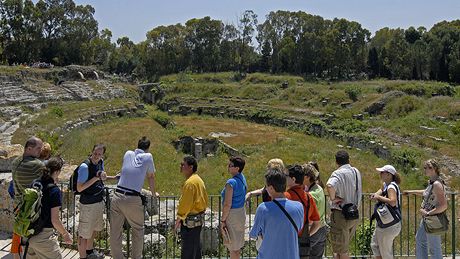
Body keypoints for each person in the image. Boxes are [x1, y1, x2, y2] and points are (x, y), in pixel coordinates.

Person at [110, 136, 158, 259]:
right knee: (137, 230)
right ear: (147, 148)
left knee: (115, 231)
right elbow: (151, 176)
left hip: (117, 195)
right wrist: (153, 194)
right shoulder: (148, 156)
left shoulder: (128, 153)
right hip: (132, 198)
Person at [249, 168, 304, 259]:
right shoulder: (299, 207)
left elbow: (253, 233)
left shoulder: (263, 208)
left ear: (271, 188)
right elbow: (299, 228)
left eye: (266, 186)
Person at [26, 157, 73, 258]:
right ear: (56, 172)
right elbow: (55, 220)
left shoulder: (35, 183)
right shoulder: (54, 190)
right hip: (43, 237)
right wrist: (65, 234)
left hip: (28, 233)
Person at [76, 144, 115, 259]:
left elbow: (102, 177)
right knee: (83, 234)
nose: (97, 156)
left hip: (98, 201)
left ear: (103, 154)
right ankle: (83, 257)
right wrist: (95, 178)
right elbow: (79, 188)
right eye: (95, 153)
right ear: (91, 151)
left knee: (93, 229)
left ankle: (90, 252)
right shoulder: (84, 167)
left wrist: (114, 178)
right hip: (87, 204)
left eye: (99, 154)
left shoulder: (100, 162)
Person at [404, 159, 447, 259]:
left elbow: (444, 205)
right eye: (425, 167)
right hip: (428, 218)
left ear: (434, 169)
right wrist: (411, 192)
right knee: (420, 240)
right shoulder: (432, 183)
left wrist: (427, 213)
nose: (425, 170)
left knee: (434, 248)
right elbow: (426, 192)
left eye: (427, 167)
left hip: (433, 218)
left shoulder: (437, 184)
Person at [11, 136, 44, 259]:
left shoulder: (15, 162)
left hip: (18, 203)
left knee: (19, 230)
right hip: (31, 205)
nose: (40, 151)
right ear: (29, 148)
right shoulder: (37, 165)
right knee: (32, 234)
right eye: (38, 148)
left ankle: (16, 255)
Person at [326, 150, 362, 259]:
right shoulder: (356, 171)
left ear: (336, 162)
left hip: (341, 215)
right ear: (348, 160)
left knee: (342, 251)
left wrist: (333, 198)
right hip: (354, 214)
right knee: (341, 249)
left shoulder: (337, 173)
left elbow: (330, 185)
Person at [174, 156, 208, 259]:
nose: (181, 166)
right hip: (198, 219)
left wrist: (179, 219)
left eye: (183, 165)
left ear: (191, 167)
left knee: (188, 251)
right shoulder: (198, 180)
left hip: (190, 222)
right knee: (196, 249)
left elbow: (186, 203)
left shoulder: (190, 183)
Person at [285, 164, 320, 259]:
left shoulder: (285, 197)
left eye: (286, 176)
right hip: (303, 243)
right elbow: (317, 223)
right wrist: (307, 234)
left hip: (287, 240)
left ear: (293, 179)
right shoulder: (309, 198)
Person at [370, 165, 402, 259]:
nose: (380, 174)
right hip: (385, 222)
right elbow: (380, 191)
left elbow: (393, 202)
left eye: (382, 172)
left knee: (385, 253)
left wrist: (378, 197)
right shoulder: (386, 185)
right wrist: (376, 195)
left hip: (389, 224)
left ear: (389, 175)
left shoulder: (391, 187)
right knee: (375, 245)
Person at [220, 156, 247, 259]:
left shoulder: (231, 183)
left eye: (231, 165)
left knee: (232, 246)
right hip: (240, 213)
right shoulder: (242, 178)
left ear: (237, 168)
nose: (228, 167)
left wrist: (223, 220)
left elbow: (227, 204)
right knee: (237, 245)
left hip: (232, 215)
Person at [303, 162, 328, 259]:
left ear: (307, 177)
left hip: (313, 229)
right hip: (322, 228)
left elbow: (310, 217)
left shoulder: (310, 195)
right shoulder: (319, 189)